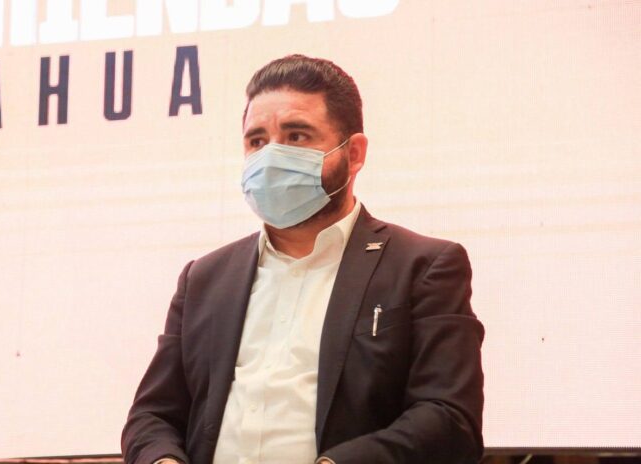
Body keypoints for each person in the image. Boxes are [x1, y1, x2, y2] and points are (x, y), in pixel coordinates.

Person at [121, 54, 484, 464]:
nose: (271, 157)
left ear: (354, 153)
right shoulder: (205, 278)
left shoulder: (423, 266)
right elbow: (152, 417)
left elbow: (449, 419)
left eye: (296, 136)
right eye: (257, 141)